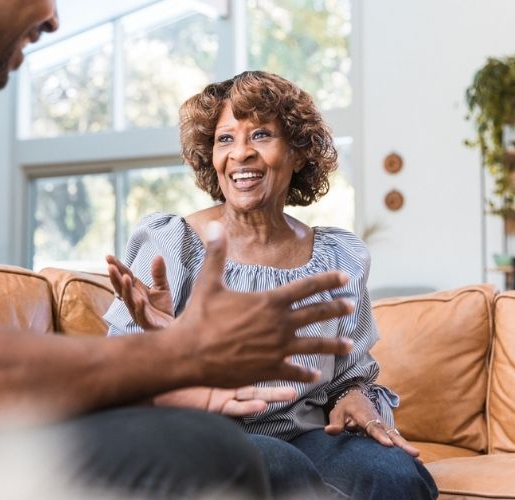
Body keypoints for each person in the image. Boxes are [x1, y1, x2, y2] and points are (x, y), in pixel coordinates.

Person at [0, 2, 359, 499]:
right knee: (213, 454)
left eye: (262, 136)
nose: (55, 19)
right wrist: (183, 355)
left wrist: (177, 371)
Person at [104, 71, 439, 499]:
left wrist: (354, 399)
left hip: (306, 436)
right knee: (277, 466)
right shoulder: (173, 242)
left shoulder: (339, 255)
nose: (240, 153)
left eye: (260, 134)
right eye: (225, 139)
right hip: (199, 436)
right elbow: (117, 379)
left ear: (299, 153)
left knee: (395, 474)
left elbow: (348, 375)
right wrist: (161, 343)